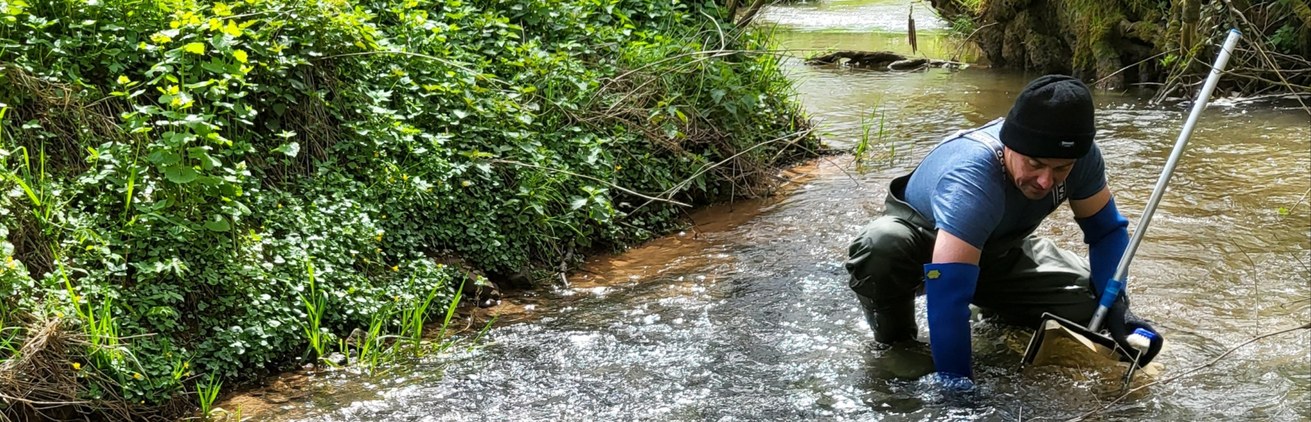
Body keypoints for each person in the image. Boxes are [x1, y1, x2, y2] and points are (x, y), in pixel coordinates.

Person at [844, 74, 1165, 386]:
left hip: (996, 250)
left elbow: (1106, 231)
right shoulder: (973, 177)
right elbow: (949, 294)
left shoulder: (1082, 159)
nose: (1045, 181)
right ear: (1009, 146)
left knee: (1091, 300)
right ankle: (897, 344)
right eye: (1035, 164)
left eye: (1060, 170)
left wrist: (1117, 307)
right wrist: (957, 389)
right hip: (923, 249)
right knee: (882, 245)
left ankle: (989, 311)